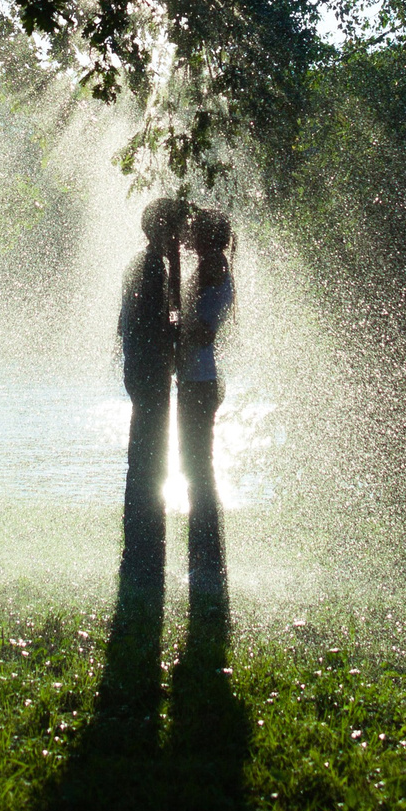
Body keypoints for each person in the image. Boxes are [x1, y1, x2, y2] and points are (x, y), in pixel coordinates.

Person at [116, 196, 185, 598]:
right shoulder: (152, 269)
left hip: (141, 371)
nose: (181, 239)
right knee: (148, 458)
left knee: (144, 457)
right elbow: (157, 322)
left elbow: (126, 324)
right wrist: (176, 342)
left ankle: (142, 549)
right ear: (162, 232)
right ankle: (145, 552)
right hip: (149, 372)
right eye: (175, 230)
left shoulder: (145, 264)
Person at [178, 206, 235, 596]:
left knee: (197, 468)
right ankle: (204, 559)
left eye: (195, 232)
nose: (189, 237)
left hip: (200, 380)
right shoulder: (212, 272)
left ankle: (207, 563)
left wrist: (169, 332)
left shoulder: (214, 272)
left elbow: (200, 331)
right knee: (196, 467)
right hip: (199, 379)